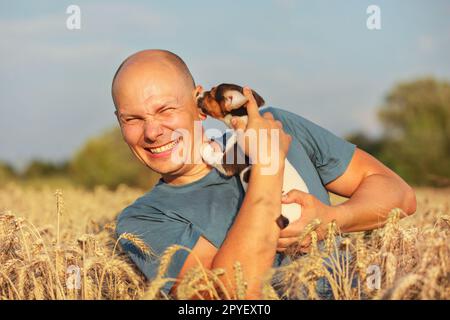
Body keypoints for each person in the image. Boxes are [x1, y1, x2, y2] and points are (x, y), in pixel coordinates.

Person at [112, 49, 416, 299]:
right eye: (133, 119)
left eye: (166, 110)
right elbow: (227, 297)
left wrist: (331, 221)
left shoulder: (279, 126)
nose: (152, 132)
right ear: (119, 121)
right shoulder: (142, 220)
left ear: (199, 105)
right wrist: (268, 165)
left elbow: (399, 195)